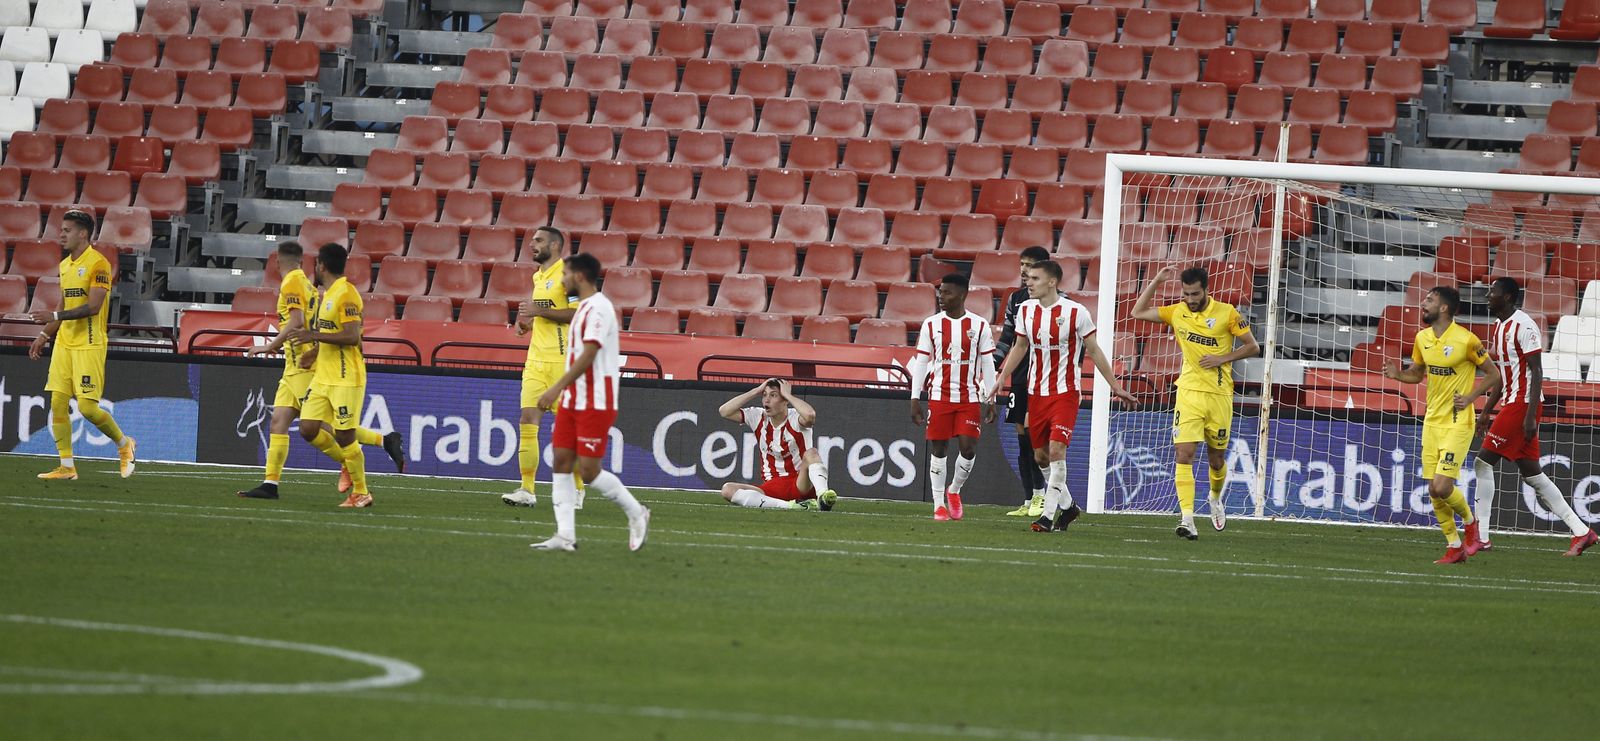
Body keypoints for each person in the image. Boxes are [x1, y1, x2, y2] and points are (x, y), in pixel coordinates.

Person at [237, 241, 402, 500]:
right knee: (279, 423)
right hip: (295, 366)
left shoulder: (293, 283)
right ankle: (270, 484)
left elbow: (297, 322)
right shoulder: (311, 287)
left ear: (277, 262)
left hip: (303, 367)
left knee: (326, 426)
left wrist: (270, 345)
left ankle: (375, 447)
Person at [990, 260, 1137, 533]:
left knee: (1057, 450)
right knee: (1041, 457)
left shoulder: (1076, 312)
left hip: (1065, 393)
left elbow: (1094, 350)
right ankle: (1069, 508)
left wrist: (1114, 386)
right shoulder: (1025, 311)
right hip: (1036, 393)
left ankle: (1047, 516)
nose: (1028, 282)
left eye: (1034, 278)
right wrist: (1001, 379)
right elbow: (1020, 346)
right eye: (1028, 278)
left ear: (1051, 282)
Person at [1128, 265, 1260, 541]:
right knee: (1183, 454)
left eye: (1195, 293)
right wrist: (1155, 280)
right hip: (1188, 392)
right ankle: (1187, 519)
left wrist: (1221, 358)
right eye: (1186, 293)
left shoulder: (1227, 313)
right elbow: (1137, 312)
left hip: (1220, 396)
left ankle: (1214, 498)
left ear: (1206, 290)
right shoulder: (1177, 311)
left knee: (1216, 460)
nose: (1190, 298)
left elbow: (1252, 346)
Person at [530, 252, 650, 552]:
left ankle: (637, 513)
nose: (562, 279)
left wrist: (555, 388)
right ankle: (565, 535)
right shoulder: (582, 307)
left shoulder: (599, 308)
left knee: (588, 471)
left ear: (579, 276)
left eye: (565, 274)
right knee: (560, 460)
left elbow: (590, 353)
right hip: (574, 398)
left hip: (596, 399)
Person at [1473, 277, 1596, 556]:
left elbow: (1537, 371)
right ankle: (1582, 531)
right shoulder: (1499, 326)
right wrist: (1486, 411)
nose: (1488, 295)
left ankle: (1481, 536)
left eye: (1493, 291)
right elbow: (1503, 377)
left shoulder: (1524, 325)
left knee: (1483, 462)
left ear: (1507, 297)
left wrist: (1530, 416)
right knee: (1534, 476)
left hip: (1523, 404)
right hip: (1511, 402)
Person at [1382, 286, 1502, 564]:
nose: (1423, 304)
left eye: (1429, 300)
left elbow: (1494, 374)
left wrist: (1471, 397)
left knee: (1442, 485)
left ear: (1444, 308)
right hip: (1431, 421)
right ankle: (1453, 545)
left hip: (1458, 421)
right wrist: (1398, 375)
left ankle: (1471, 525)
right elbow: (1417, 374)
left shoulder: (1466, 340)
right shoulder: (1422, 338)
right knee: (1433, 490)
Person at [28, 209, 135, 480]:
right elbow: (63, 305)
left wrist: (54, 317)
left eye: (67, 230)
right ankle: (67, 466)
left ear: (83, 233)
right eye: (61, 230)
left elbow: (94, 306)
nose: (61, 234)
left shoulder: (99, 265)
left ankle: (124, 445)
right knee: (58, 404)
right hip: (65, 343)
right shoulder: (66, 265)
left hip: (89, 344)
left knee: (87, 408)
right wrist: (44, 335)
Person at [284, 244, 385, 508]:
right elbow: (334, 333)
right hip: (322, 378)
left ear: (322, 266)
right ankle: (348, 464)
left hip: (345, 378)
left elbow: (352, 336)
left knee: (344, 435)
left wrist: (313, 336)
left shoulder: (346, 294)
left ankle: (361, 491)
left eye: (315, 264)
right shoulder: (327, 295)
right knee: (307, 427)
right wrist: (315, 351)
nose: (313, 269)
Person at [909, 273, 996, 521]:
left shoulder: (979, 325)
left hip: (969, 397)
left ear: (962, 294)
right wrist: (915, 398)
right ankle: (938, 505)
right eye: (940, 292)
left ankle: (954, 491)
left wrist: (991, 400)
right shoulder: (931, 324)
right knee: (939, 447)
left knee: (968, 449)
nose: (941, 297)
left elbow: (988, 365)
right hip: (939, 396)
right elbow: (922, 362)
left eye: (947, 292)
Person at [502, 226, 578, 509]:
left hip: (563, 363)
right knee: (527, 421)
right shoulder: (538, 276)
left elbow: (578, 313)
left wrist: (538, 312)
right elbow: (541, 317)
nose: (531, 244)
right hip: (535, 361)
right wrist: (526, 325)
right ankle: (527, 490)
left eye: (538, 240)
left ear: (555, 245)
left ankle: (578, 489)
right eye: (532, 240)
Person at [994, 246, 1055, 517]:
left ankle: (1044, 496)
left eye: (1029, 265)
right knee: (1021, 439)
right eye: (1021, 264)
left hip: (1043, 376)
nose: (1023, 270)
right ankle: (1029, 499)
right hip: (1020, 376)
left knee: (1034, 438)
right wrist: (994, 366)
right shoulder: (1016, 298)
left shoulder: (1058, 301)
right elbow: (1008, 338)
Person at [715, 380, 839, 511]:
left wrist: (789, 395)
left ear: (784, 400)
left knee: (811, 453)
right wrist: (756, 391)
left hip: (800, 483)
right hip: (773, 486)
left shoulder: (796, 418)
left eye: (773, 395)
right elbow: (724, 411)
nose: (766, 400)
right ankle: (793, 506)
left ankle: (823, 497)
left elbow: (810, 416)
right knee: (727, 490)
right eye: (764, 395)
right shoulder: (758, 416)